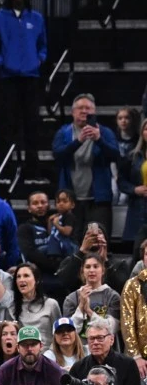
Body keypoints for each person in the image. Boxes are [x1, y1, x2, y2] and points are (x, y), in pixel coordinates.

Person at [0, 0, 47, 179]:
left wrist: (39, 59)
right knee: (9, 125)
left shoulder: (37, 18)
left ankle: (33, 169)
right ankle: (8, 169)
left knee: (32, 124)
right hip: (9, 78)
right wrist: (1, 64)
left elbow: (43, 46)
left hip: (31, 77)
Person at [53, 94, 120, 237]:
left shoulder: (104, 132)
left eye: (88, 108)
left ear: (94, 112)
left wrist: (99, 139)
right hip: (71, 198)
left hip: (98, 198)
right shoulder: (64, 132)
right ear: (73, 112)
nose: (84, 111)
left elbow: (116, 155)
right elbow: (57, 156)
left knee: (97, 240)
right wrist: (78, 141)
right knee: (73, 241)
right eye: (80, 108)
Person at [69, 320, 141, 385]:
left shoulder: (128, 364)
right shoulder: (78, 367)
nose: (95, 343)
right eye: (91, 338)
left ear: (112, 339)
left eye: (100, 338)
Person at [61, 253, 121, 338]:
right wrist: (81, 307)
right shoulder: (71, 298)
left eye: (96, 266)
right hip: (80, 349)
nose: (91, 270)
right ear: (82, 271)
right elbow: (68, 333)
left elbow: (111, 328)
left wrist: (89, 311)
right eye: (88, 267)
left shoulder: (113, 296)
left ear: (103, 270)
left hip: (106, 349)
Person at [17, 191, 64, 288]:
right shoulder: (25, 228)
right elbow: (29, 253)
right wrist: (54, 266)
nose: (40, 206)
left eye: (43, 202)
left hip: (60, 276)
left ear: (49, 206)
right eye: (35, 203)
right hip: (37, 277)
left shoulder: (59, 225)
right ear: (29, 208)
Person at [13, 262, 62, 344]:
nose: (21, 280)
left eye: (26, 276)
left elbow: (59, 334)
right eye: (18, 277)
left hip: (47, 354)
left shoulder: (51, 304)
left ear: (37, 280)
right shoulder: (12, 306)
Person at [118, 118, 147, 245]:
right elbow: (121, 181)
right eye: (146, 129)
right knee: (137, 251)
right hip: (138, 208)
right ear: (142, 133)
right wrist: (134, 189)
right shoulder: (133, 156)